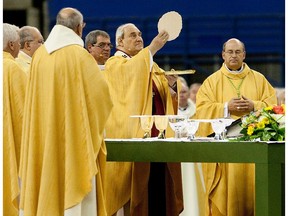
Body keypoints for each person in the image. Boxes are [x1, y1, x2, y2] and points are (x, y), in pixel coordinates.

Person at [18, 7, 113, 216]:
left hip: (44, 136)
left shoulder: (40, 55)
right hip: (72, 139)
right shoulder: (80, 56)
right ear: (80, 28)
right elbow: (101, 99)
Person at [103, 23, 183, 216]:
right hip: (133, 136)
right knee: (138, 192)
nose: (139, 38)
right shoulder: (115, 64)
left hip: (158, 139)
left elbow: (161, 97)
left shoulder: (149, 64)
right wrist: (153, 48)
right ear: (120, 41)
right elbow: (130, 78)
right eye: (133, 35)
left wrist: (171, 88)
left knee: (158, 191)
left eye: (140, 34)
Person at [195, 38, 277, 216]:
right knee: (228, 195)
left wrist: (254, 106)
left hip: (254, 148)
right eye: (230, 52)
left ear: (244, 55)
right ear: (223, 55)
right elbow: (200, 111)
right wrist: (225, 108)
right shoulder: (211, 82)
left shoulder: (259, 79)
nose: (234, 55)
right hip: (225, 152)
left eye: (237, 52)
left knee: (254, 193)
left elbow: (274, 106)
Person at [3, 22, 27, 216]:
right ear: (11, 45)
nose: (20, 46)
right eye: (19, 42)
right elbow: (25, 113)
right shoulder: (13, 68)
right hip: (10, 144)